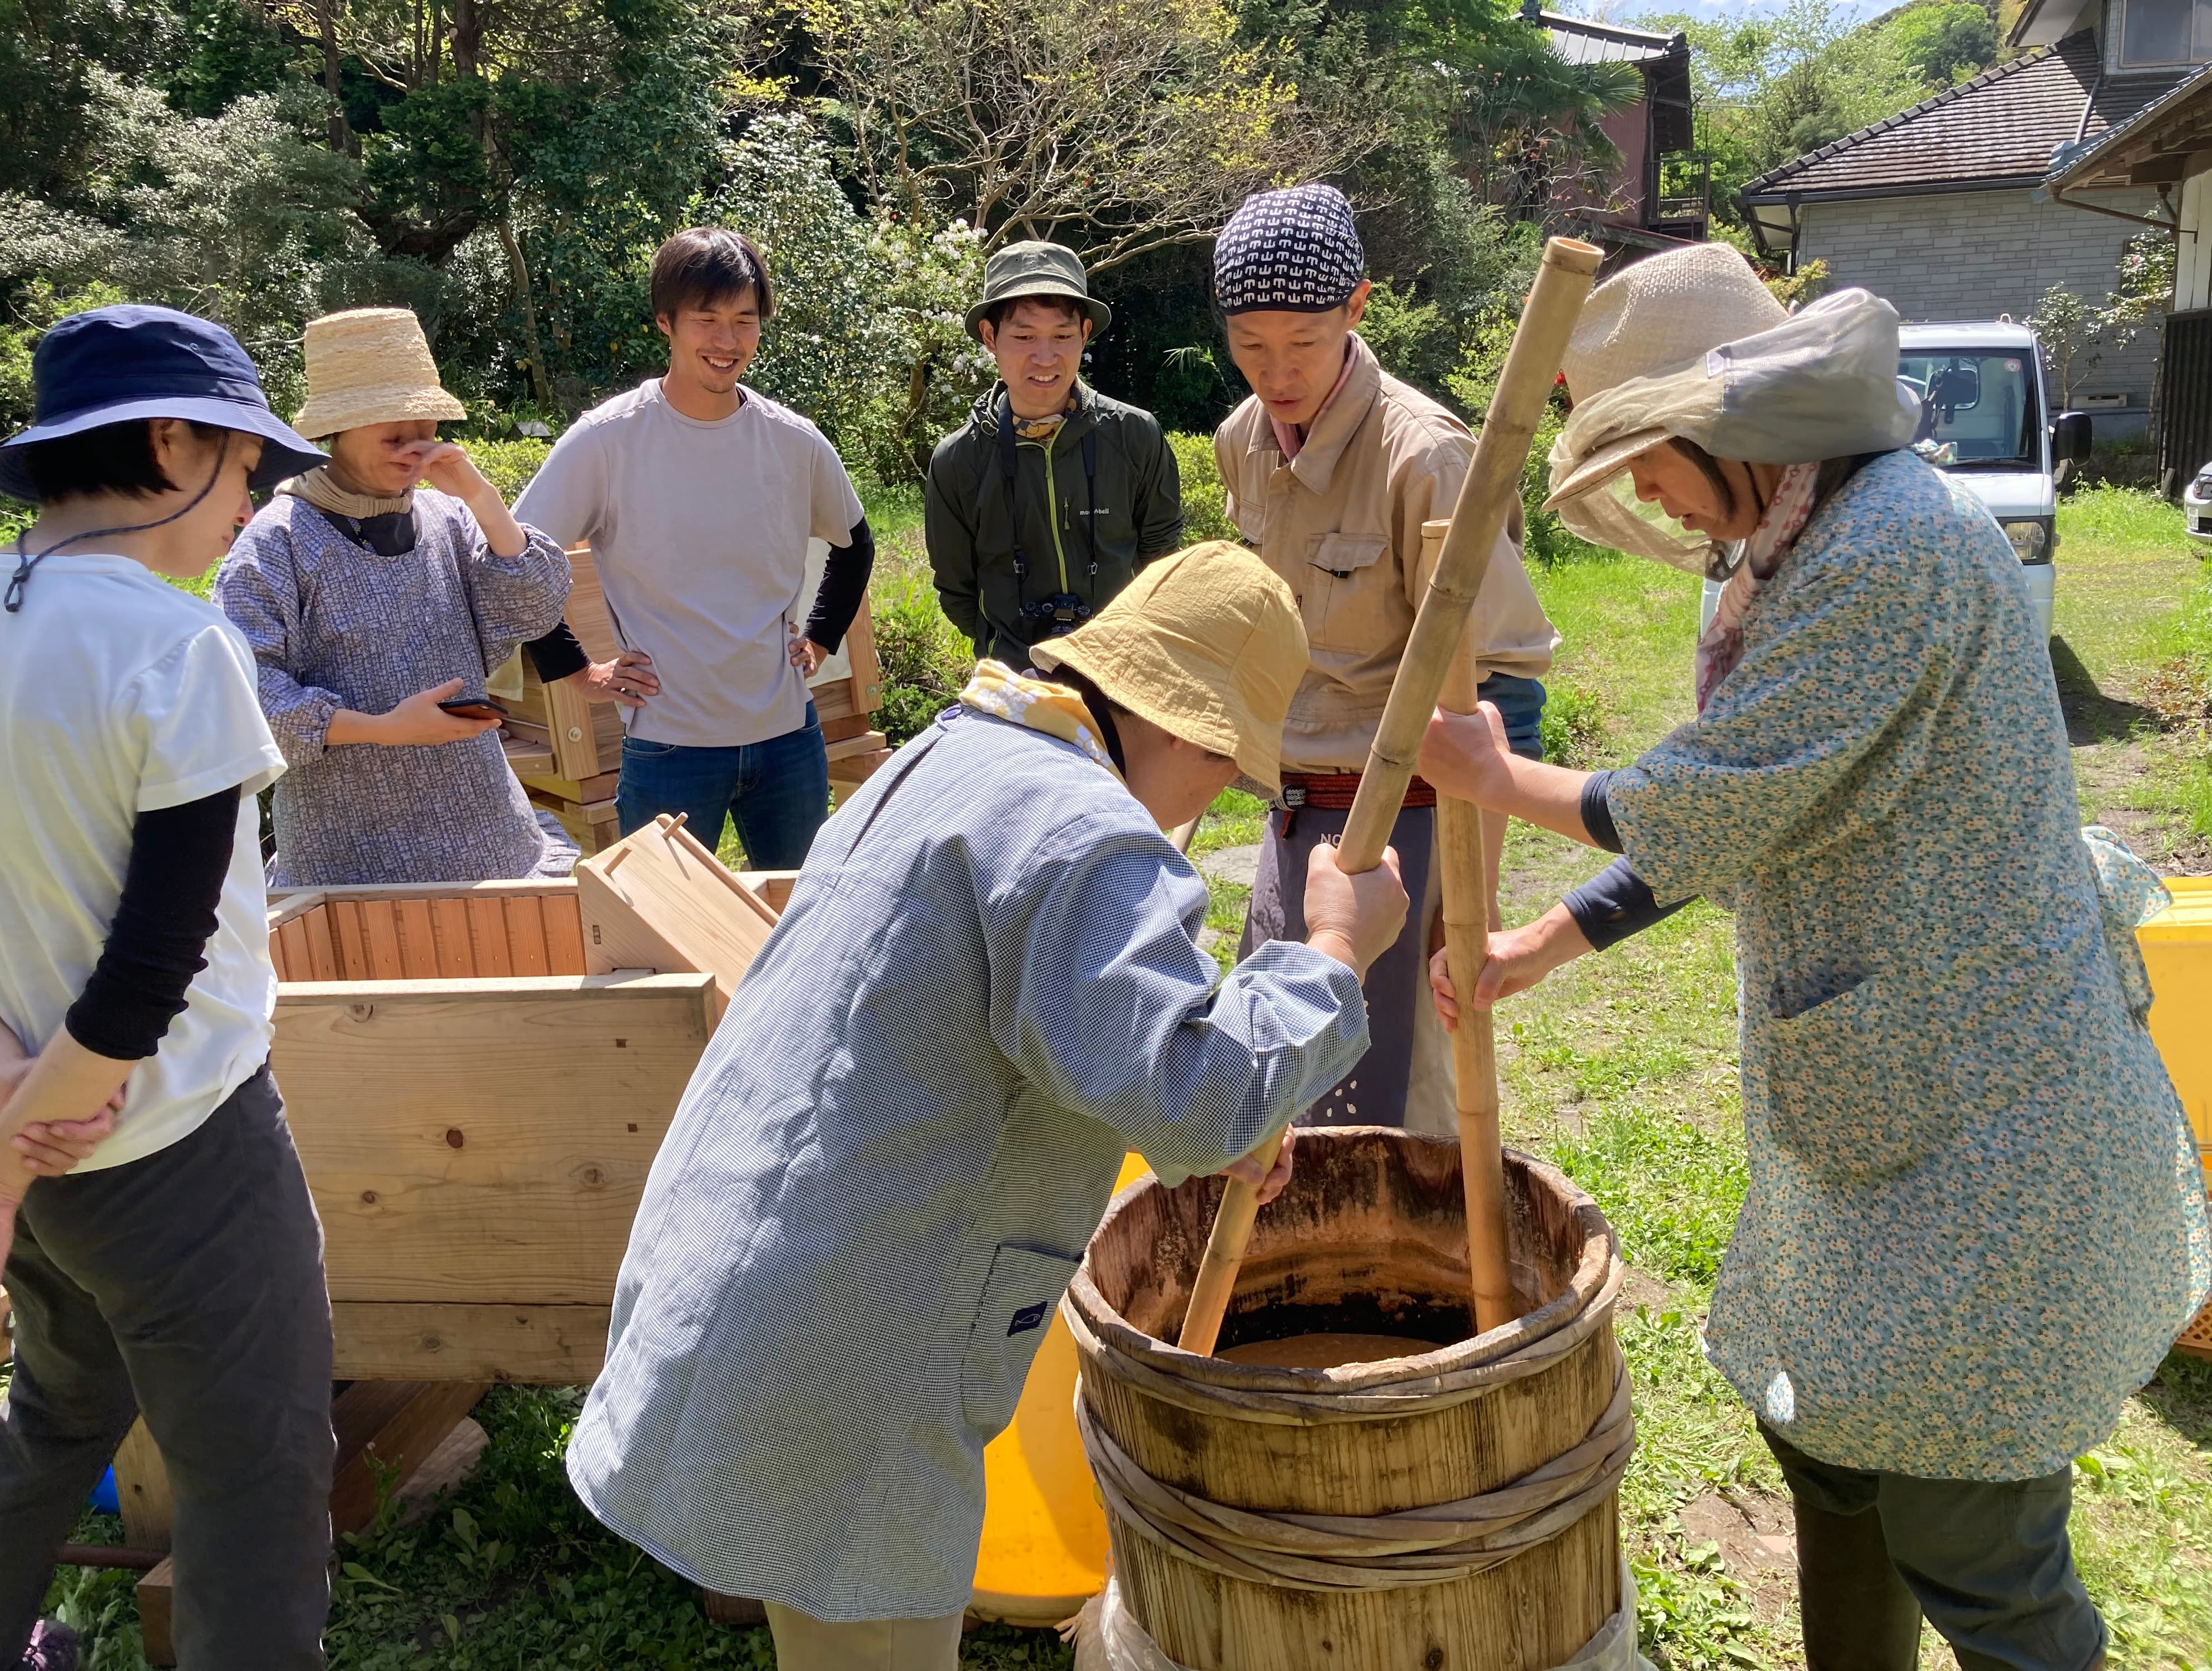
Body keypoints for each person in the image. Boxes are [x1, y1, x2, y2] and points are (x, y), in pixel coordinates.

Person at [1420, 242, 2212, 1671]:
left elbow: (1720, 790)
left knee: (1973, 1534)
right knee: (1831, 1447)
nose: (1650, 496)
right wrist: (1548, 936)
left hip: (1988, 1113)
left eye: (1652, 460)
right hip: (1885, 1106)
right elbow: (1764, 807)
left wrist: (1497, 780)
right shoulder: (1799, 541)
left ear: (1726, 432)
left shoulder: (1892, 548)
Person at [564, 542, 1408, 1671]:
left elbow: (1066, 1036)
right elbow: (1194, 1092)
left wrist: (1229, 1118)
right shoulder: (1089, 837)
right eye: (1228, 768)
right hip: (843, 1343)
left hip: (760, 1278)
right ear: (1182, 729)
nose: (1218, 794)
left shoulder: (955, 758)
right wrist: (1339, 949)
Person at [0, 306, 339, 1671]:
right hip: (179, 1151)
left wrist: (10, 1118)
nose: (253, 495)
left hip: (50, 1140)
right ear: (174, 442)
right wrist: (3, 1164)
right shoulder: (176, 645)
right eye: (249, 461)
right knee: (254, 1480)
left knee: (60, 1419)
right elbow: (151, 971)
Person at [1211, 182, 1560, 1134]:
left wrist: (1472, 912)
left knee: (1402, 1112)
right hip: (1291, 818)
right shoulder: (1241, 442)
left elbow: (1504, 686)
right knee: (1283, 1085)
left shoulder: (1427, 456)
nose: (1275, 373)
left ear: (1357, 308)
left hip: (1406, 820)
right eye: (1249, 345)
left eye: (1303, 343)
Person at [513, 228, 874, 866]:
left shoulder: (793, 442)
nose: (727, 341)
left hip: (789, 740)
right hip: (668, 749)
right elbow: (513, 564)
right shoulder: (608, 441)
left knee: (800, 931)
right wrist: (579, 672)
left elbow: (856, 545)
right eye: (706, 320)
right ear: (666, 323)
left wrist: (820, 637)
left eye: (744, 320)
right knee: (662, 943)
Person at [213, 307, 578, 886]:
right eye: (394, 429)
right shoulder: (276, 542)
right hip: (348, 859)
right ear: (337, 429)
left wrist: (482, 498)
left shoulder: (449, 517)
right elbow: (245, 697)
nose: (415, 445)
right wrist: (384, 727)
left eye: (426, 426)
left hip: (487, 836)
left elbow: (535, 605)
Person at [925, 240, 1182, 668]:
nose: (1045, 357)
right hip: (1013, 681)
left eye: (1062, 336)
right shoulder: (957, 461)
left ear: (1084, 334)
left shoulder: (1136, 435)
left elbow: (1162, 559)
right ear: (991, 337)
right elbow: (958, 590)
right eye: (1024, 336)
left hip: (1121, 672)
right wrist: (1006, 648)